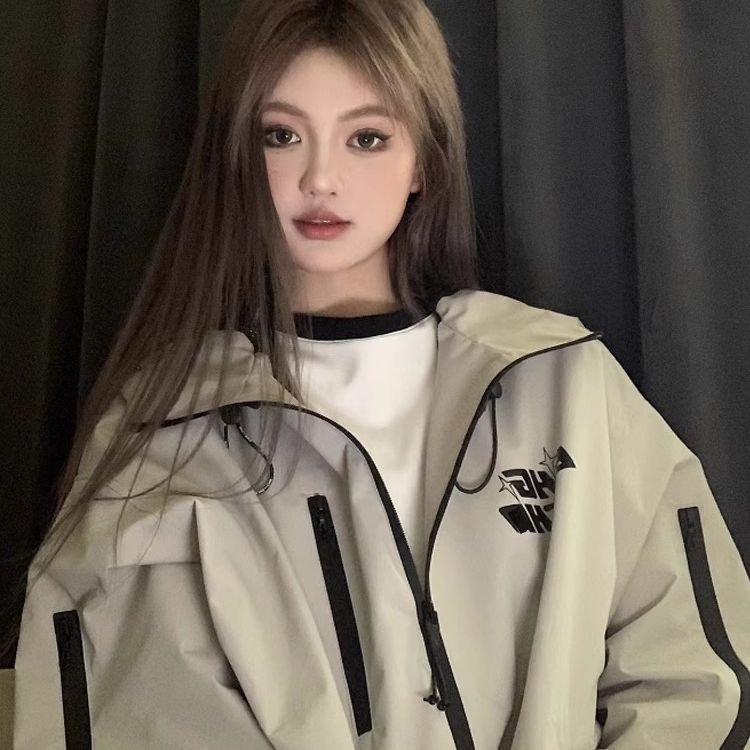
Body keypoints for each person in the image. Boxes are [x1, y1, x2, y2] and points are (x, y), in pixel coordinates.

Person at [10, 0, 750, 748]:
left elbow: (694, 674)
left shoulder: (565, 384)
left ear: (423, 159)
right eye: (281, 135)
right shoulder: (161, 433)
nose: (320, 178)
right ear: (237, 155)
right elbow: (135, 710)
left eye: (366, 137)